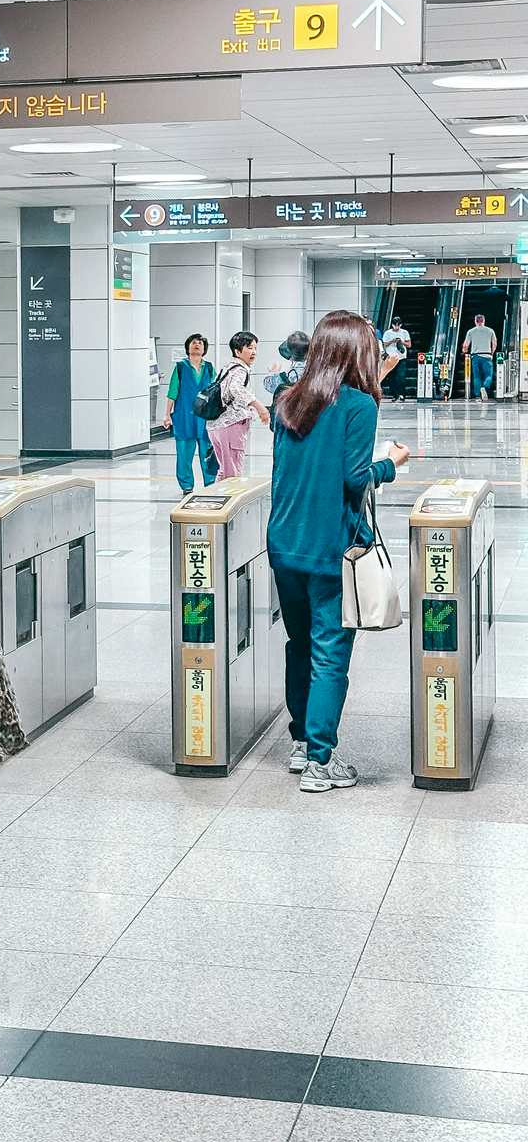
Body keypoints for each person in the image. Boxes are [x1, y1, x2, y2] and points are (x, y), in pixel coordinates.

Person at [268, 311, 410, 794]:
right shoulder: (357, 405)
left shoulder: (287, 400)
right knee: (330, 652)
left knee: (299, 642)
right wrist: (389, 465)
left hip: (285, 544)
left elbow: (296, 470)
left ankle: (301, 743)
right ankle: (321, 762)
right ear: (356, 353)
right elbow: (353, 478)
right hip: (331, 548)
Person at [206, 330, 269, 479]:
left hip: (216, 426)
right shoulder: (240, 370)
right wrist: (260, 407)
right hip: (231, 425)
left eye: (255, 348)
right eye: (249, 347)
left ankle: (219, 500)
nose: (253, 352)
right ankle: (231, 501)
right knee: (233, 472)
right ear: (237, 351)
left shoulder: (228, 368)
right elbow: (236, 389)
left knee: (224, 470)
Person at [161, 333, 218, 493]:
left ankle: (210, 482)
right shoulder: (180, 367)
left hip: (205, 418)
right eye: (193, 343)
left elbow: (215, 391)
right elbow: (172, 392)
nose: (197, 345)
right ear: (188, 347)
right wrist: (166, 415)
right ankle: (186, 485)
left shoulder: (209, 368)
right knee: (184, 454)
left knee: (207, 452)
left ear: (204, 348)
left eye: (200, 343)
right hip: (184, 416)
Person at [263, 330, 309, 427]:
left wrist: (272, 372)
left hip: (288, 424)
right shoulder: (317, 373)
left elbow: (268, 384)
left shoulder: (285, 376)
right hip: (311, 422)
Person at [463, 312, 498, 400]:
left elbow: (466, 345)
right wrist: (492, 353)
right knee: (489, 375)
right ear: (484, 321)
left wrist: (465, 351)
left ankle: (478, 395)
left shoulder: (471, 331)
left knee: (476, 376)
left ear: (475, 321)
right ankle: (484, 387)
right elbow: (494, 344)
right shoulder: (490, 331)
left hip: (475, 356)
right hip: (487, 356)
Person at [382, 316, 411, 401]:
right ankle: (394, 395)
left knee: (401, 376)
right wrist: (392, 341)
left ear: (401, 325)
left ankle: (402, 394)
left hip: (401, 358)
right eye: (395, 325)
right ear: (392, 325)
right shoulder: (387, 333)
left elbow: (409, 345)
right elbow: (384, 344)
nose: (397, 327)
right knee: (392, 377)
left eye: (398, 325)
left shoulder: (404, 332)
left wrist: (401, 342)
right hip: (391, 358)